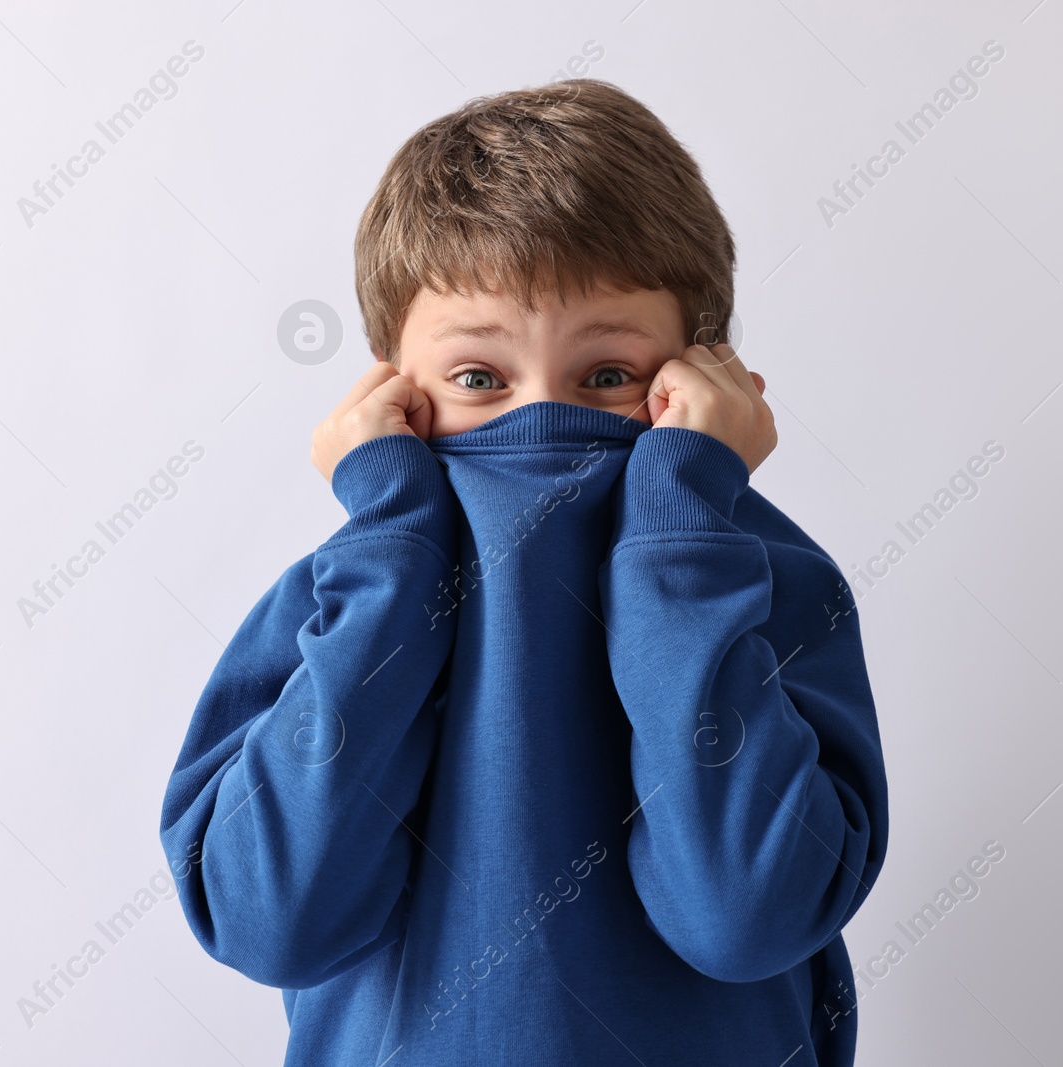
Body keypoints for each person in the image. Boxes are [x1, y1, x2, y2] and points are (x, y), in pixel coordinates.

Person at [159, 78, 889, 1066]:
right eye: (477, 379)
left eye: (606, 376)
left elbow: (743, 912)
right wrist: (387, 556)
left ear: (701, 372)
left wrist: (680, 538)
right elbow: (271, 917)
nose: (542, 419)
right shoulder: (337, 593)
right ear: (387, 384)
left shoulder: (761, 578)